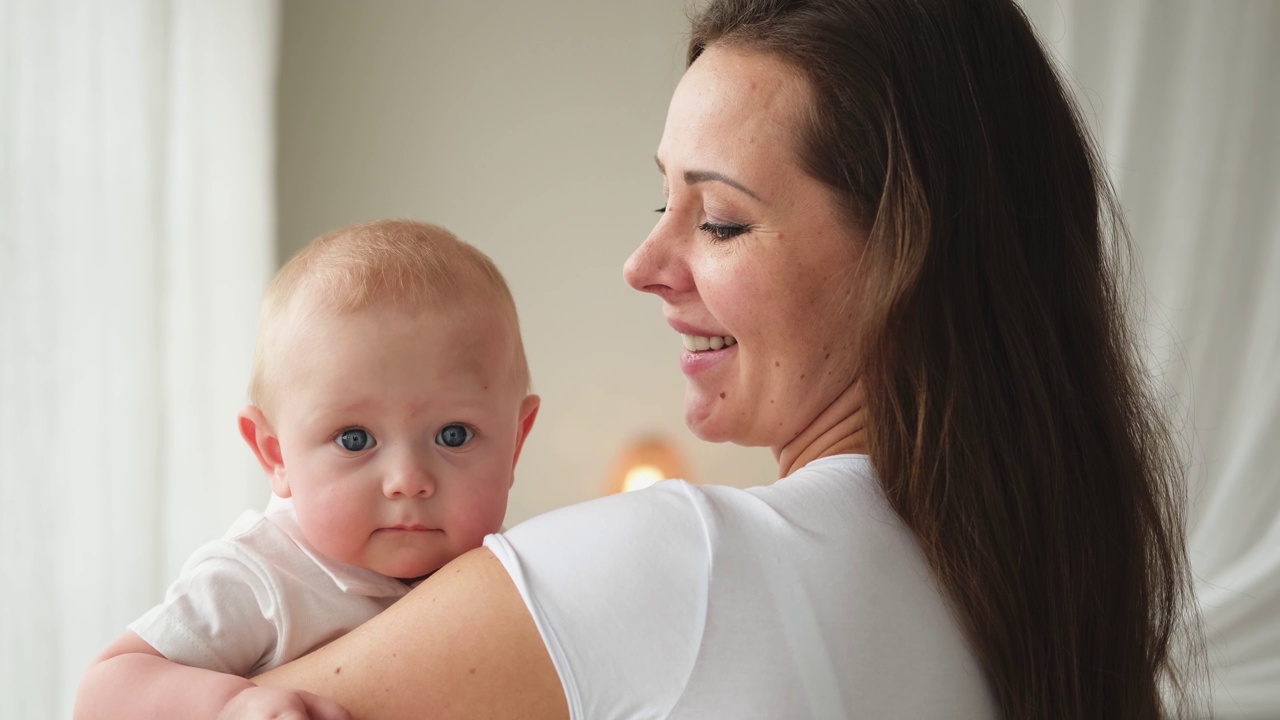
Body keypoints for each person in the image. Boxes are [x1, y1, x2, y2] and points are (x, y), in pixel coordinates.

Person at [241, 0, 1202, 718]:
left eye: (723, 220)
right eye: (660, 202)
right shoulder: (1039, 599)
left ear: (911, 252)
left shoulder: (685, 569)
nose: (644, 265)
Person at [74, 220, 540, 720]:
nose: (407, 479)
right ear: (276, 454)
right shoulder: (262, 577)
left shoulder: (515, 574)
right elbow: (103, 694)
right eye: (354, 439)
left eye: (454, 435)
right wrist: (233, 704)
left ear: (515, 443)